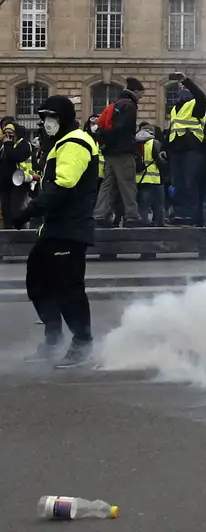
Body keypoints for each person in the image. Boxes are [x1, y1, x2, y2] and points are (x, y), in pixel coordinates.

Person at [24, 96, 102, 366]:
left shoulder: (76, 143)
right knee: (37, 281)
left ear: (65, 118)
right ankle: (54, 337)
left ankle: (82, 343)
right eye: (44, 118)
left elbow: (64, 184)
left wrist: (30, 209)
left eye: (52, 118)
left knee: (69, 288)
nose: (47, 123)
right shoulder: (60, 143)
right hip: (56, 227)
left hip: (70, 227)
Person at [91, 78, 142, 226]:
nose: (141, 96)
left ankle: (99, 215)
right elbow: (123, 128)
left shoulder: (115, 104)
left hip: (109, 152)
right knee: (128, 184)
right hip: (123, 152)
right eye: (140, 93)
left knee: (107, 185)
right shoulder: (129, 105)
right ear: (135, 91)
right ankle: (132, 216)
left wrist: (106, 141)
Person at [163, 74, 206, 226]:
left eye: (184, 87)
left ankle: (191, 215)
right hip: (176, 150)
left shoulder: (196, 105)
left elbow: (201, 96)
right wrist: (165, 147)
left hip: (192, 149)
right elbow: (172, 128)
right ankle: (179, 213)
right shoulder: (175, 109)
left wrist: (186, 80)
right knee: (178, 184)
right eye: (180, 88)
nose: (181, 90)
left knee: (190, 183)